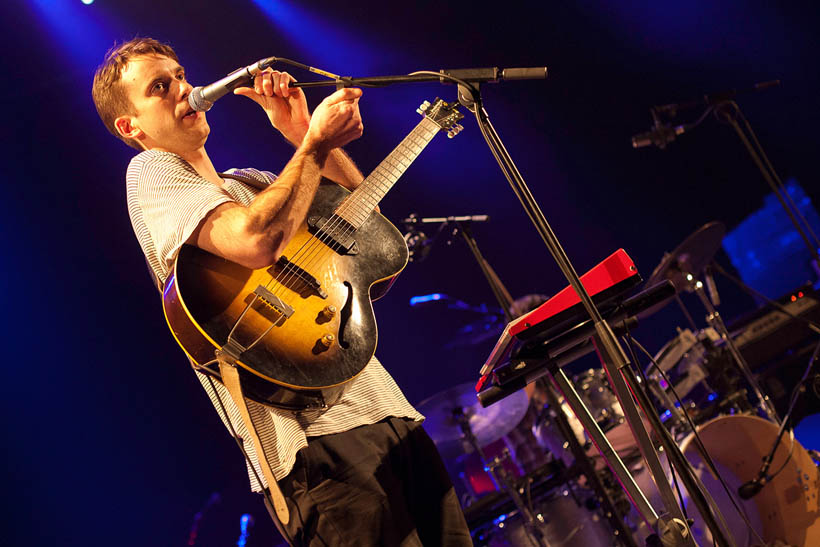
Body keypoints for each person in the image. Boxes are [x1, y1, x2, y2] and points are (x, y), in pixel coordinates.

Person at [92, 37, 472, 546]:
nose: (184, 90)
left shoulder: (254, 181)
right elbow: (254, 239)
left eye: (181, 75)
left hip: (385, 408)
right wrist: (312, 146)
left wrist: (302, 134)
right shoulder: (150, 171)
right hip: (312, 447)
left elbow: (371, 241)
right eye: (160, 87)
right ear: (130, 126)